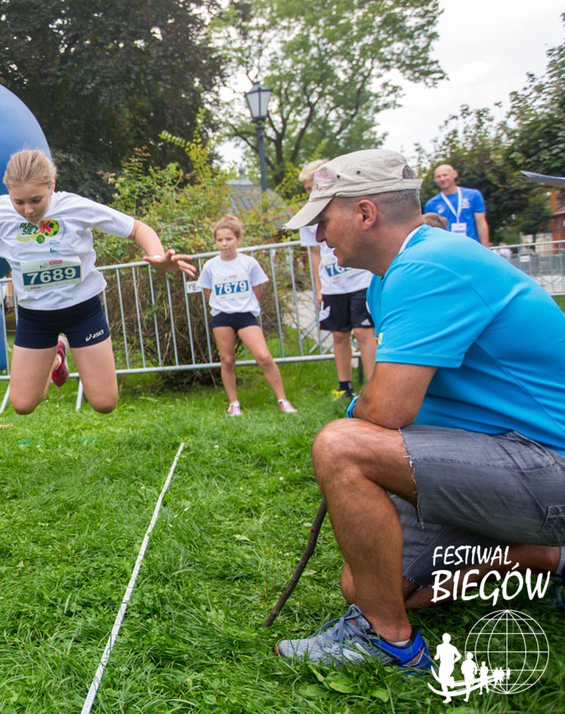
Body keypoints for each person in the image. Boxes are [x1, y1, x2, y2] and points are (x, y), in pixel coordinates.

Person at [275, 149, 565, 670]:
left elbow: (388, 409)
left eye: (324, 219)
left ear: (365, 213)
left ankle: (389, 640)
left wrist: (360, 419)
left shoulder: (428, 266)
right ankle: (547, 557)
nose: (319, 235)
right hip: (506, 453)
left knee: (342, 446)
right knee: (366, 584)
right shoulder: (392, 276)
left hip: (549, 463)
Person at [0, 149, 195, 414]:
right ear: (8, 192)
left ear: (52, 186)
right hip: (35, 317)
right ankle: (56, 355)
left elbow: (138, 228)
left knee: (104, 403)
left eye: (36, 200)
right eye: (19, 202)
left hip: (83, 311)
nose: (28, 210)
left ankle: (59, 351)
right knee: (22, 404)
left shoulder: (74, 207)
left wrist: (157, 256)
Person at [197, 215, 297, 416]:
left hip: (245, 316)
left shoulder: (249, 263)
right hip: (222, 317)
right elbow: (207, 291)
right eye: (220, 240)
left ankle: (283, 400)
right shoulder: (210, 266)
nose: (224, 244)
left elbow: (257, 289)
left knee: (264, 356)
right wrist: (223, 305)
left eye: (229, 239)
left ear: (238, 239)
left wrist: (244, 304)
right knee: (227, 360)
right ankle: (234, 403)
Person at [297, 159, 377, 401]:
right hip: (333, 284)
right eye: (307, 189)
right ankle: (344, 387)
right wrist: (318, 287)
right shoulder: (308, 214)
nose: (311, 192)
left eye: (314, 187)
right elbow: (314, 253)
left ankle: (373, 387)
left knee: (363, 333)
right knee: (339, 335)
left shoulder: (349, 204)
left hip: (360, 280)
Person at [424, 163, 490, 246]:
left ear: (454, 174)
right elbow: (431, 231)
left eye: (445, 175)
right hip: (447, 247)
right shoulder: (431, 204)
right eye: (438, 176)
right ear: (435, 180)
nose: (442, 179)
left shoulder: (473, 195)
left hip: (472, 245)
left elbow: (481, 222)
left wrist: (485, 246)